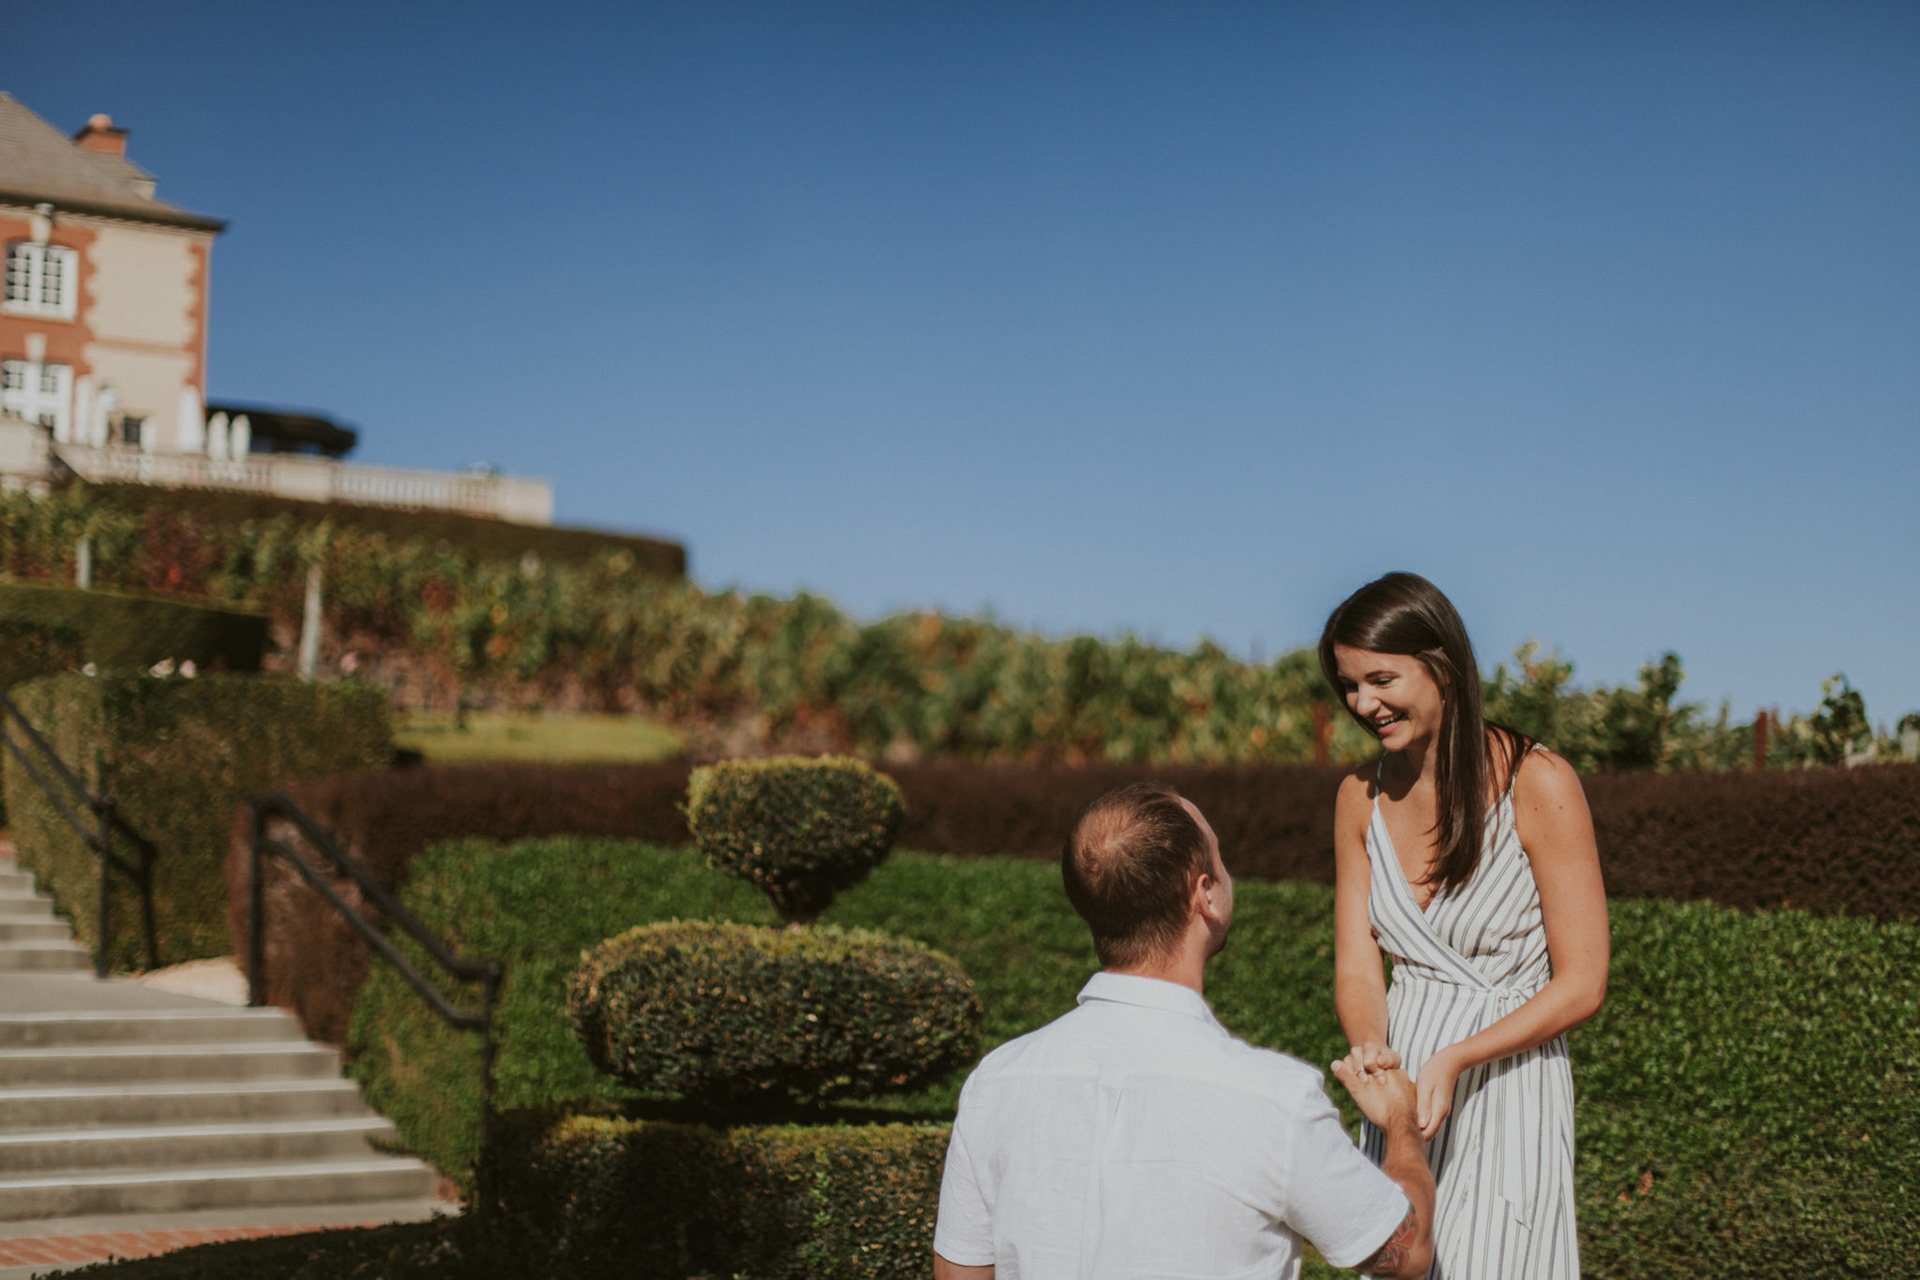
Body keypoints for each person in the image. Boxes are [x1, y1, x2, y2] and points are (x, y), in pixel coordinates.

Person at [933, 782, 1436, 1280]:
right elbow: (1405, 1253)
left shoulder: (996, 1084)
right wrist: (1400, 1122)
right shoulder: (1273, 1099)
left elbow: (959, 1273)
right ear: (1205, 895)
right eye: (1219, 857)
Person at [1321, 572, 1609, 1278]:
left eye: (1381, 679)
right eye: (1350, 685)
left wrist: (1456, 1057)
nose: (1364, 704)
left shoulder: (1539, 783)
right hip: (1400, 1097)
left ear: (1442, 665)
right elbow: (1358, 968)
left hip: (1507, 1084)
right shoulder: (1357, 798)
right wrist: (1374, 1057)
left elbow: (1583, 983)